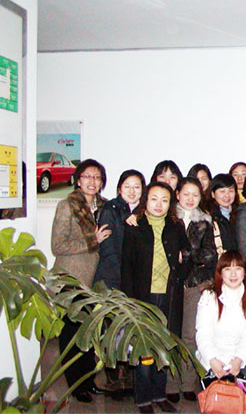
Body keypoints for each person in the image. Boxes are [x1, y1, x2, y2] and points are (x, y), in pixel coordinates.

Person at [121, 182, 187, 413]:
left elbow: (188, 257)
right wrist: (130, 301)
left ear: (170, 204)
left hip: (169, 296)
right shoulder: (134, 226)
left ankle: (159, 395)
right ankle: (143, 398)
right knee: (144, 348)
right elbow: (126, 267)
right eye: (154, 199)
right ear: (146, 201)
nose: (159, 204)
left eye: (165, 200)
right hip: (143, 297)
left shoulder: (176, 227)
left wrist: (181, 265)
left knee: (163, 347)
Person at [51, 158, 110, 403]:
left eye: (97, 177)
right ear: (78, 180)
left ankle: (88, 381)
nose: (92, 181)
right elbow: (57, 245)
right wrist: (92, 240)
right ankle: (75, 386)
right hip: (71, 281)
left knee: (89, 335)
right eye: (87, 176)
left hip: (95, 282)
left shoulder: (104, 207)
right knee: (72, 336)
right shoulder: (67, 206)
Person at [93, 169, 145, 399]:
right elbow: (109, 248)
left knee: (131, 331)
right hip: (113, 277)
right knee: (112, 331)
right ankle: (114, 380)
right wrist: (123, 278)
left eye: (137, 187)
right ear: (119, 188)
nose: (132, 191)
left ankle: (130, 379)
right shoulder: (110, 209)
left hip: (135, 280)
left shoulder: (144, 211)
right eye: (128, 186)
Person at [173, 176, 217, 402]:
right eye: (186, 194)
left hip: (194, 283)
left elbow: (209, 255)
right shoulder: (168, 218)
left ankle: (188, 382)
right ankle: (170, 385)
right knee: (170, 333)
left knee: (190, 334)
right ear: (177, 194)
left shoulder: (204, 222)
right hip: (169, 283)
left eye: (195, 195)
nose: (190, 199)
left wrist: (185, 254)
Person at [195, 250, 246, 386]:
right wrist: (213, 360)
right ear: (221, 273)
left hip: (241, 360)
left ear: (244, 272)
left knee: (239, 391)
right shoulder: (208, 297)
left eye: (238, 269)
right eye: (228, 269)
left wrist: (238, 361)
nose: (233, 274)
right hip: (212, 360)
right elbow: (203, 334)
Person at [207, 173, 239, 254]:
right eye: (222, 191)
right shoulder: (207, 217)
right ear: (213, 194)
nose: (227, 195)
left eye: (231, 191)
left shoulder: (241, 213)